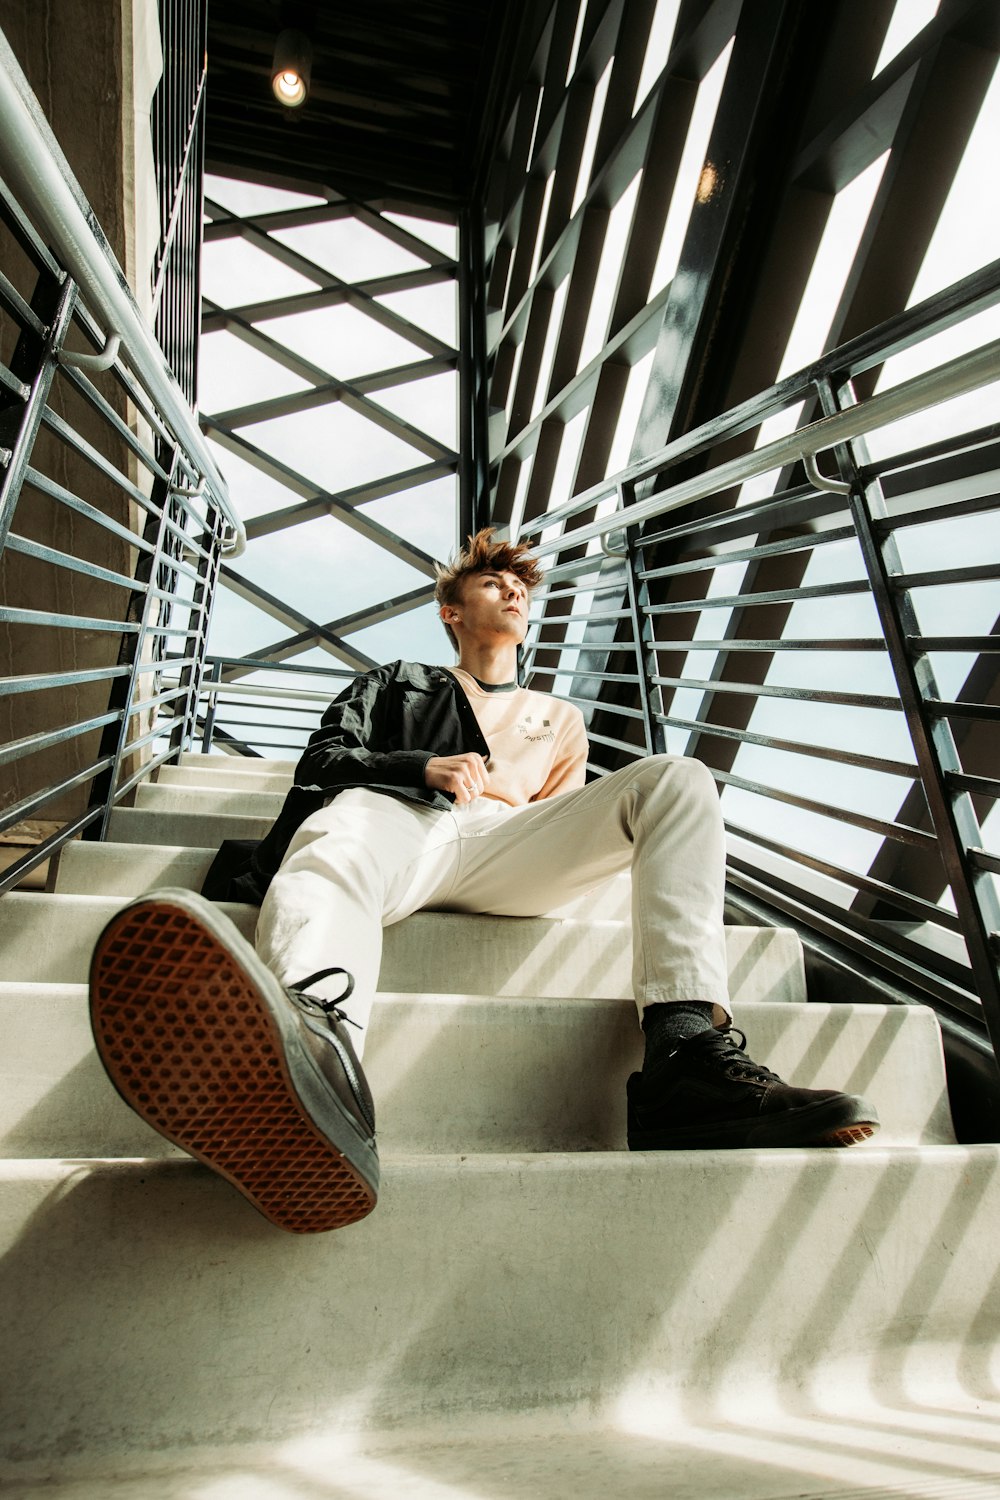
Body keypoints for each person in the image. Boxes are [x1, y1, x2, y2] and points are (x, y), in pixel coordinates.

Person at [89, 528, 879, 1235]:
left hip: (509, 844)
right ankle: (316, 1061)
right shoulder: (397, 680)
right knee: (338, 829)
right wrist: (416, 765)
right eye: (492, 582)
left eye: (522, 587)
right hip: (403, 815)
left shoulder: (557, 716)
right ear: (451, 612)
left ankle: (685, 1058)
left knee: (675, 779)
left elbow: (568, 822)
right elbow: (323, 763)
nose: (513, 590)